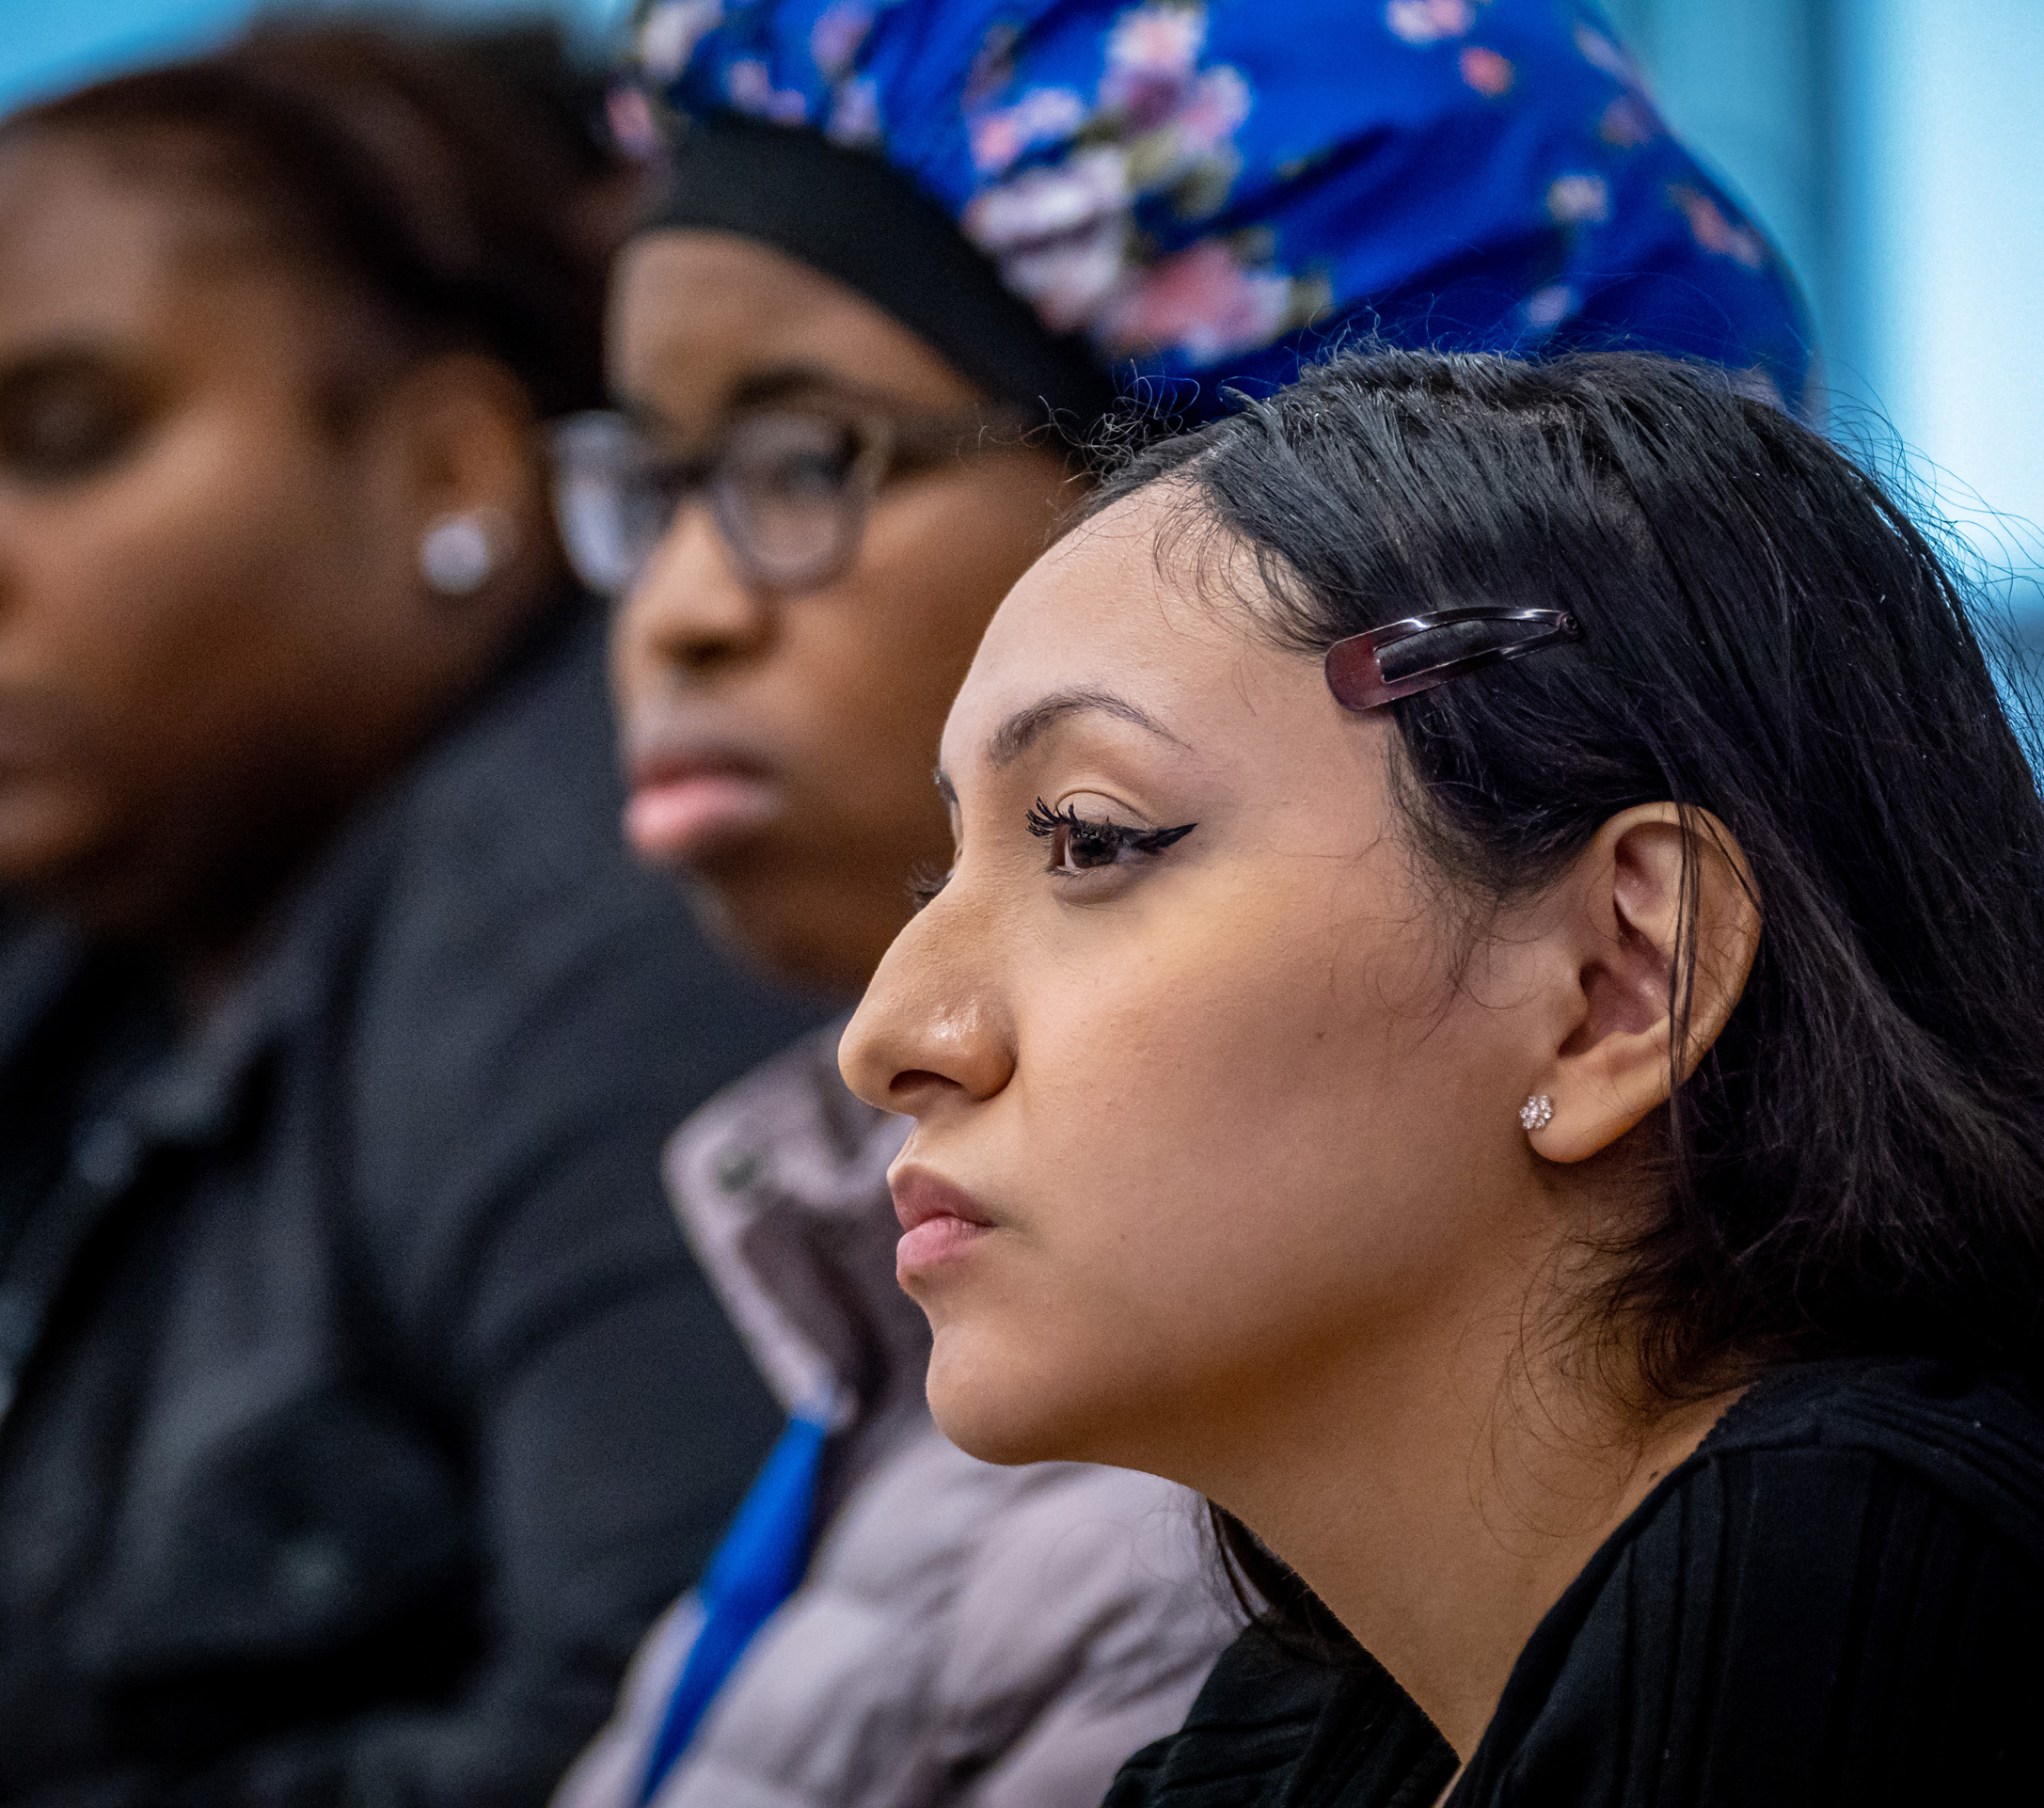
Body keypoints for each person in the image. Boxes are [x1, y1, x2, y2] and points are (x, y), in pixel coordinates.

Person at [549, 4, 1812, 1806]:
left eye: (1085, 831)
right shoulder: (921, 1323)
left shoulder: (1260, 1538)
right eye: (657, 484)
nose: (675, 607)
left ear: (1616, 968)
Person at [0, 20, 816, 1808]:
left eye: (65, 438)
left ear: (450, 478)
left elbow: (662, 1740)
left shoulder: (610, 928)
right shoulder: (44, 943)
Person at [839, 345, 2044, 1805]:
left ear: (1621, 979)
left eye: (1092, 836)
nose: (888, 1030)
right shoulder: (1329, 1721)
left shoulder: (1863, 1585)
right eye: (940, 862)